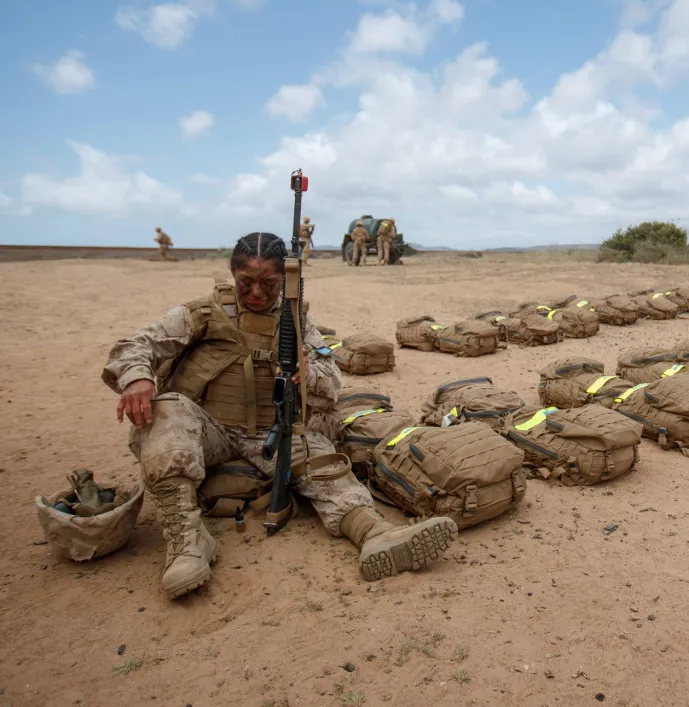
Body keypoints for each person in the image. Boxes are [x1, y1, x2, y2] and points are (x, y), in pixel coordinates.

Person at [102, 231, 457, 599]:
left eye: (269, 285)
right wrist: (137, 377)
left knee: (325, 467)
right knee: (166, 410)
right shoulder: (202, 314)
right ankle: (187, 542)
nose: (256, 294)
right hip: (208, 431)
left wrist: (310, 372)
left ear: (283, 281)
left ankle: (374, 534)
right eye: (247, 284)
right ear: (233, 275)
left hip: (273, 431)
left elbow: (332, 381)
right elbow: (135, 345)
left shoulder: (296, 322)